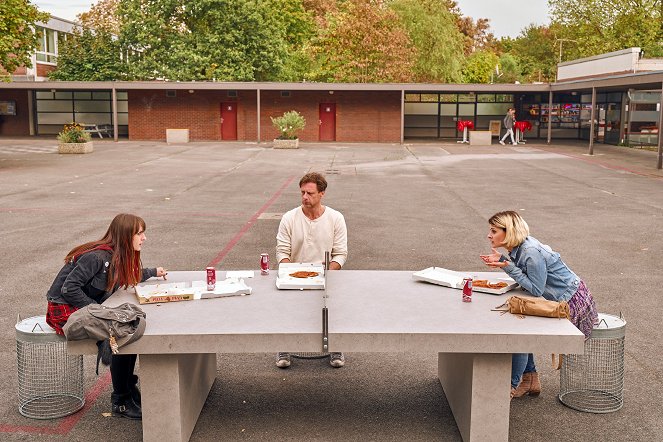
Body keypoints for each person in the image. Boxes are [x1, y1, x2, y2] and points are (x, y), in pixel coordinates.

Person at [45, 213, 167, 419]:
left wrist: (153, 272)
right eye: (139, 233)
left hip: (83, 307)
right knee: (120, 330)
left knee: (128, 324)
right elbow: (69, 289)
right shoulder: (97, 257)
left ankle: (128, 387)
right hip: (63, 309)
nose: (144, 238)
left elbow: (128, 273)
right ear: (125, 236)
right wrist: (98, 312)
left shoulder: (118, 256)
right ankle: (121, 400)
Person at [480, 211, 598, 399]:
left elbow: (535, 288)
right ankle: (529, 379)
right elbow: (530, 279)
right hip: (560, 297)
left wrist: (506, 265)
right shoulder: (518, 247)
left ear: (508, 231)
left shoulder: (530, 252)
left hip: (570, 302)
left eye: (493, 231)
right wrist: (504, 261)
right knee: (517, 321)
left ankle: (510, 387)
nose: (489, 235)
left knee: (518, 330)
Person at [275, 172, 348, 368]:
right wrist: (290, 273)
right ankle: (284, 347)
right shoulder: (289, 218)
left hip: (325, 275)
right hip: (294, 275)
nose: (305, 197)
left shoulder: (336, 218)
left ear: (322, 193)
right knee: (288, 308)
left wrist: (327, 273)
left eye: (310, 193)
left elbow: (340, 254)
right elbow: (282, 251)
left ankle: (336, 347)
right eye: (302, 193)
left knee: (332, 306)